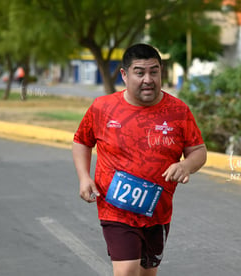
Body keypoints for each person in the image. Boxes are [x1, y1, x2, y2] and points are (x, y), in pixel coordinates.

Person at [72, 43, 207, 276]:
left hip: (158, 212)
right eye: (139, 72)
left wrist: (185, 165)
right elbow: (82, 141)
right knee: (126, 271)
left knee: (147, 272)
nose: (148, 79)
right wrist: (84, 177)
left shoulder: (178, 111)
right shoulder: (102, 108)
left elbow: (199, 151)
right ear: (124, 75)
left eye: (154, 72)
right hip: (116, 209)